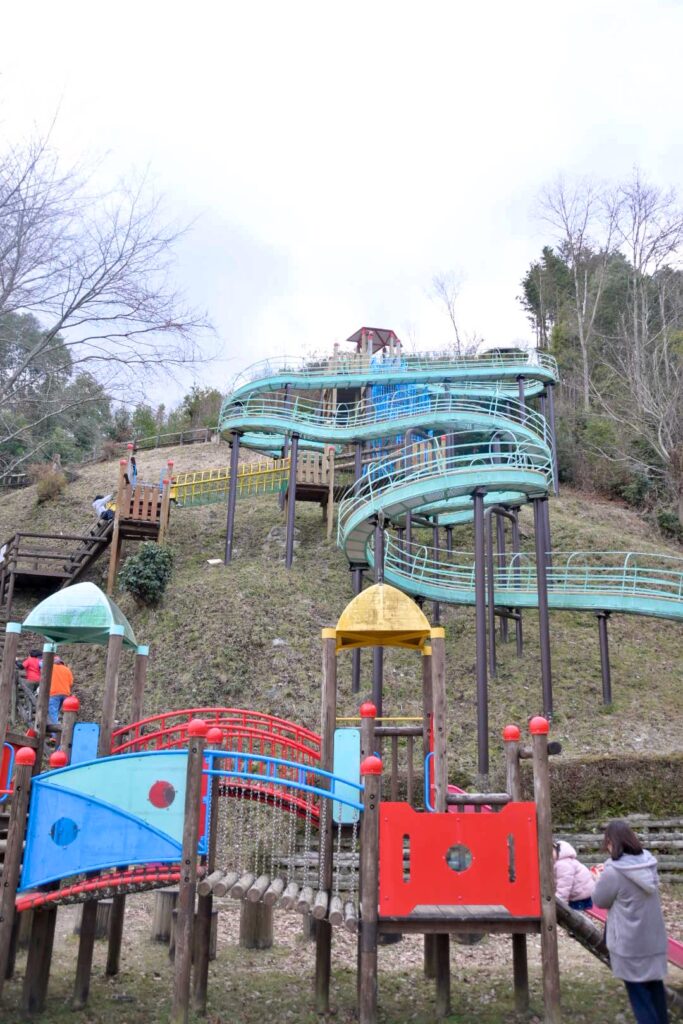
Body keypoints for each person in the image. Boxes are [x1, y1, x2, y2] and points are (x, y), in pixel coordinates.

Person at [594, 819, 669, 1024]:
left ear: (611, 842)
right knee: (655, 992)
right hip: (654, 941)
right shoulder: (649, 863)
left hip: (630, 945)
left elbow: (599, 900)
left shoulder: (613, 872)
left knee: (640, 1000)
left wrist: (598, 879)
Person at [553, 839, 595, 910]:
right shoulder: (566, 861)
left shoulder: (563, 864)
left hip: (579, 897)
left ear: (557, 851)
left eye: (551, 851)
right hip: (582, 894)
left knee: (577, 914)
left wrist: (558, 903)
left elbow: (564, 886)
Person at [48, 656, 74, 724]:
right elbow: (71, 683)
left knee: (53, 712)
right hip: (66, 693)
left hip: (54, 693)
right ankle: (64, 725)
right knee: (61, 711)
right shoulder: (67, 669)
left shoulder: (50, 668)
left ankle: (56, 729)